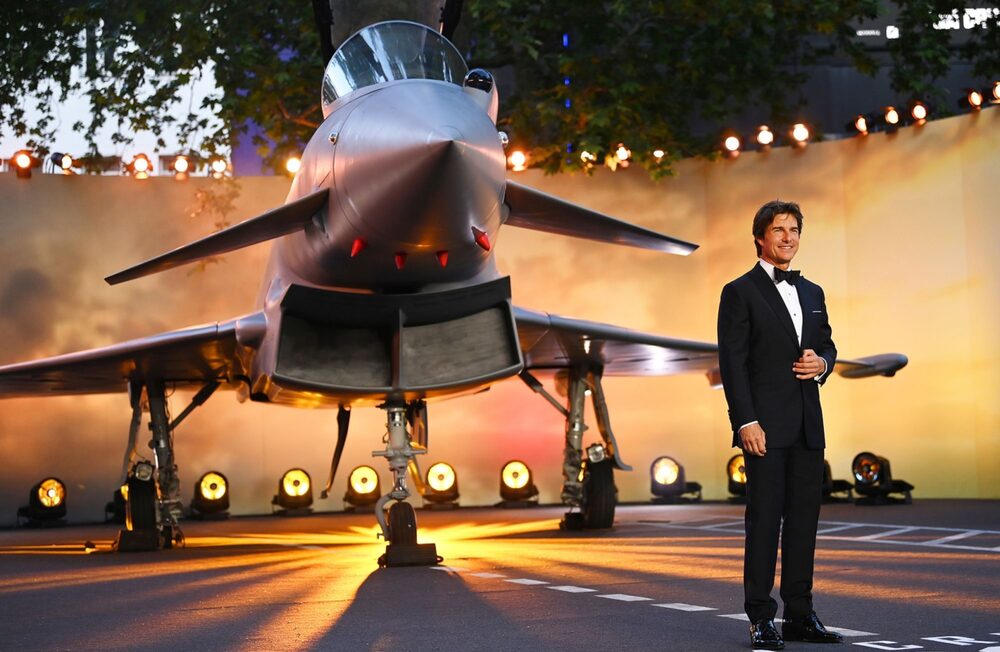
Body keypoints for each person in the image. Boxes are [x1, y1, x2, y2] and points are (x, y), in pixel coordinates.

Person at [717, 200, 843, 649]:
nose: (787, 237)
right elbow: (732, 363)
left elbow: (827, 344)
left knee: (804, 525)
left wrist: (822, 363)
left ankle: (800, 615)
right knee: (765, 522)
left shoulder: (813, 292)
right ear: (760, 237)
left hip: (809, 425)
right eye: (778, 230)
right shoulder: (739, 291)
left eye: (793, 230)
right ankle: (760, 617)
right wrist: (745, 421)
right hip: (764, 429)